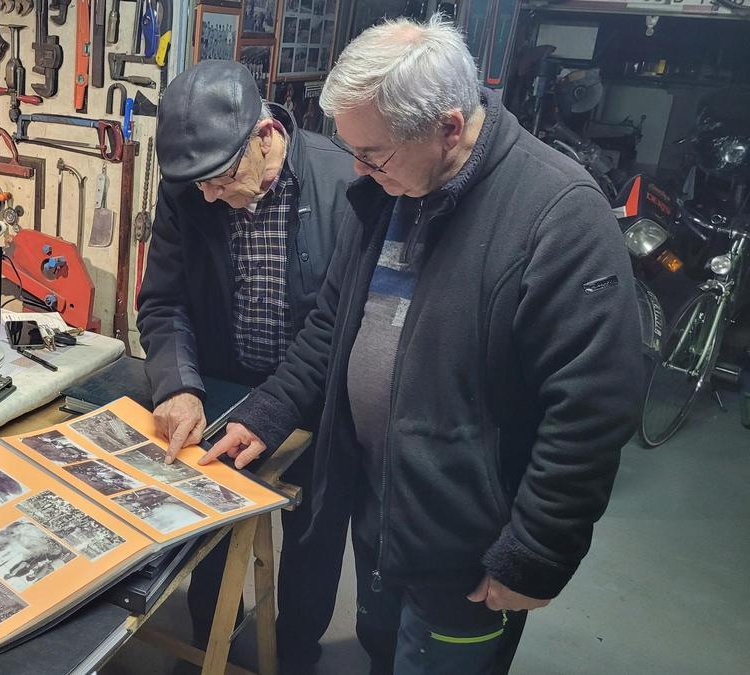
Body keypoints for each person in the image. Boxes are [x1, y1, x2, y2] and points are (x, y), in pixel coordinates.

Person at [201, 16, 642, 674]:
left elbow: (593, 408)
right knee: (386, 652)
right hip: (382, 515)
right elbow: (330, 329)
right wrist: (266, 412)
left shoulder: (558, 213)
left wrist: (536, 554)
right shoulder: (387, 193)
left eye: (373, 153)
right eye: (352, 149)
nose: (357, 168)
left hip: (469, 550)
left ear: (449, 129)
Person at [137, 60, 358, 669]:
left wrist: (277, 406)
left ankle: (295, 648)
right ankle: (212, 637)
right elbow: (163, 301)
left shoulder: (345, 184)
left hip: (317, 399)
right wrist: (179, 386)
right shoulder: (191, 188)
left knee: (313, 537)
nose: (210, 196)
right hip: (226, 388)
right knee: (213, 527)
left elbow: (338, 327)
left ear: (265, 137)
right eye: (199, 185)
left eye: (221, 179)